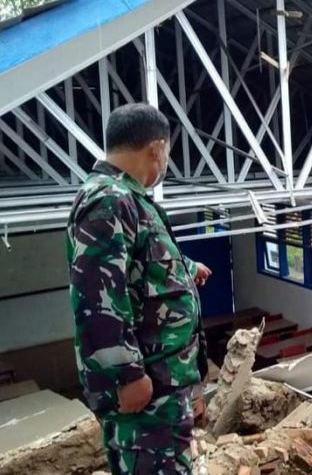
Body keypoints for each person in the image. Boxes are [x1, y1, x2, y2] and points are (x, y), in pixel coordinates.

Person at [67, 103, 212, 474]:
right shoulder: (110, 201)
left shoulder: (127, 198)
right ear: (157, 147)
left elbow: (138, 266)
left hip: (163, 385)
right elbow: (96, 295)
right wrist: (127, 376)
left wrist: (186, 270)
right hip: (146, 389)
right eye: (166, 152)